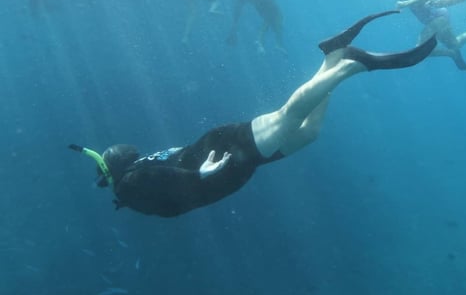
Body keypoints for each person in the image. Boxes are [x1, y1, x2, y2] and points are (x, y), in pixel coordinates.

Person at [70, 11, 436, 217]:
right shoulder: (135, 173)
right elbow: (166, 172)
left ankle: (353, 65)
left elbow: (165, 177)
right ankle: (334, 57)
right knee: (308, 133)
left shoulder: (131, 183)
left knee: (288, 116)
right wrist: (196, 173)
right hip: (230, 158)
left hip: (227, 153)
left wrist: (196, 174)